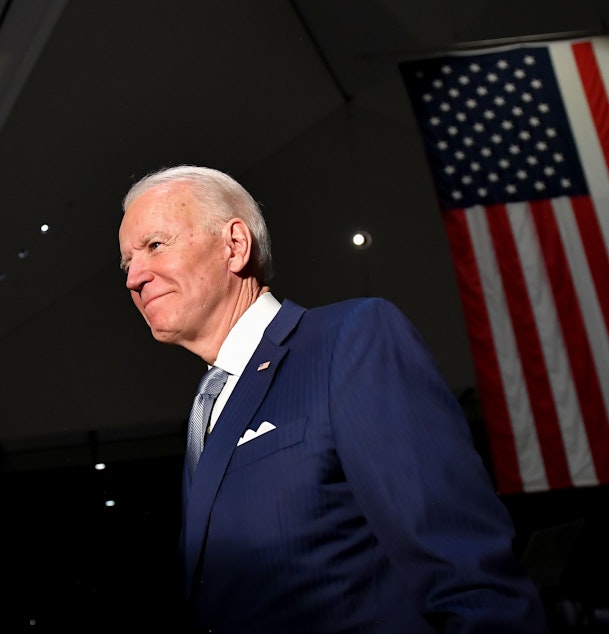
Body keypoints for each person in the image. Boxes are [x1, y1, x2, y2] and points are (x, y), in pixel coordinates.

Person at [117, 164, 550, 633]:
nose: (134, 278)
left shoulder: (351, 340)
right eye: (127, 263)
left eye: (154, 246)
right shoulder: (207, 406)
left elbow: (473, 581)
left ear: (234, 245)